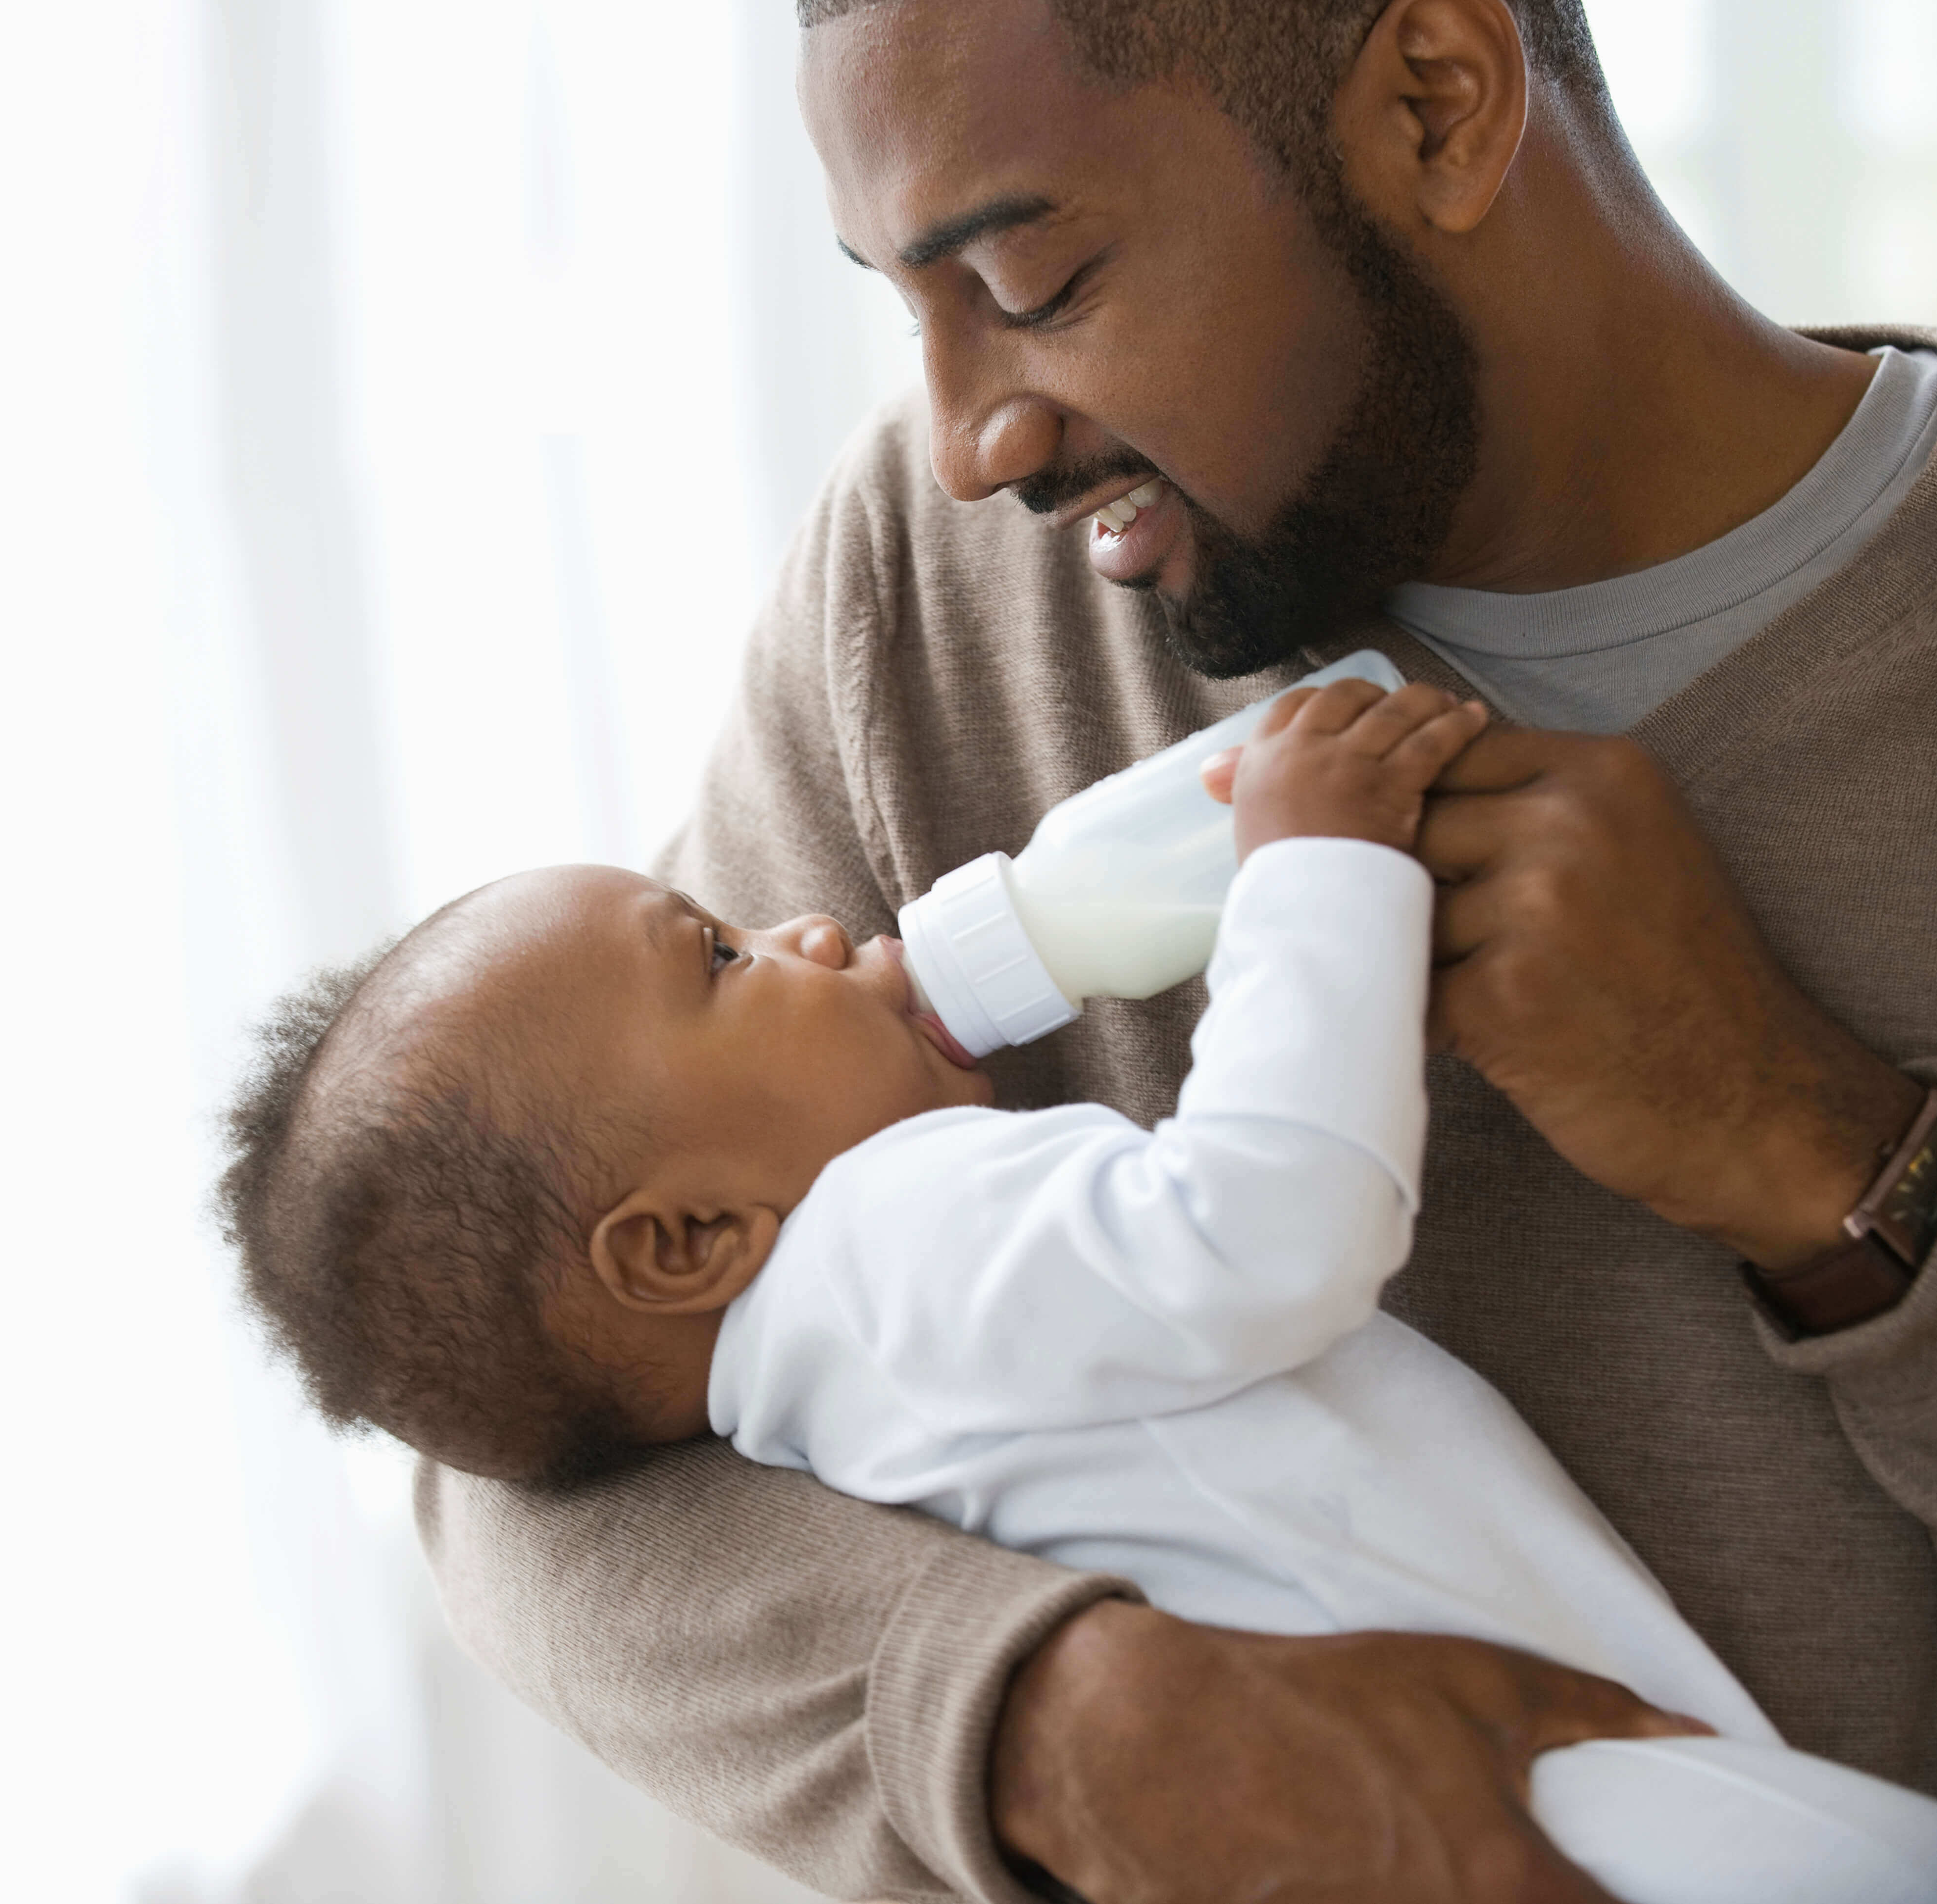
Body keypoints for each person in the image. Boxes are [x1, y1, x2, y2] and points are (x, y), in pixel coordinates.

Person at [414, 1, 1937, 1899]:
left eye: (1034, 280)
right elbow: (515, 1409)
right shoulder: (940, 581)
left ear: (1438, 106)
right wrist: (1064, 1722)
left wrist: (1832, 1165)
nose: (971, 441)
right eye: (908, 305)